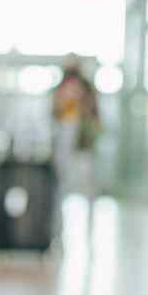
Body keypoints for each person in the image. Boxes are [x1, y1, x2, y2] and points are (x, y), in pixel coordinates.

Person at [49, 55, 101, 200]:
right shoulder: (60, 87)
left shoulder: (86, 87)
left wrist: (83, 105)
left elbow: (94, 110)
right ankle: (59, 201)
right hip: (64, 129)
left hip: (83, 134)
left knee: (85, 172)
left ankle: (89, 202)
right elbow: (54, 111)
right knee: (61, 171)